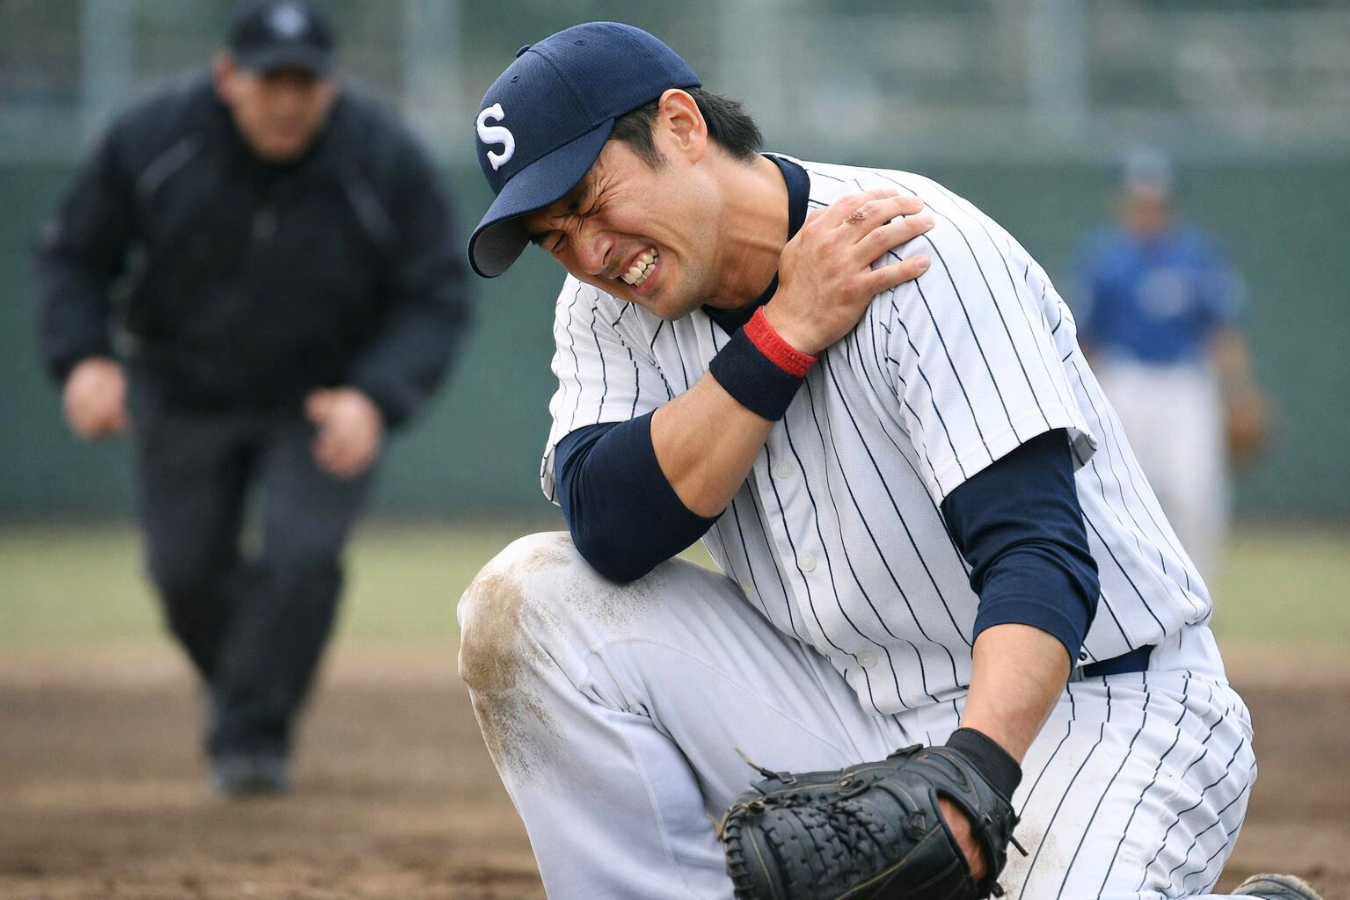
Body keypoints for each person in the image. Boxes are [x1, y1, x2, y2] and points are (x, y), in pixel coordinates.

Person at [456, 22, 1316, 900]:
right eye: (553, 237)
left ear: (682, 125)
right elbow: (611, 529)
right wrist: (780, 336)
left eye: (593, 202)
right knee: (528, 603)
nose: (591, 253)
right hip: (849, 709)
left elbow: (1038, 553)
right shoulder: (606, 308)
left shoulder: (917, 248)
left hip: (1097, 710)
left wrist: (971, 779)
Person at [33, 0, 471, 796]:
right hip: (183, 390)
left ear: (332, 87)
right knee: (183, 574)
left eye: (307, 83)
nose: (289, 101)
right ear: (228, 76)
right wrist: (84, 359)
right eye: (272, 81)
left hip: (320, 400)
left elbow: (436, 293)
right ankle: (251, 695)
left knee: (302, 558)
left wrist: (375, 398)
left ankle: (249, 738)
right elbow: (73, 258)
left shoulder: (380, 157)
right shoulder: (152, 140)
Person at [1076, 149, 1269, 581]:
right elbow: (1086, 339)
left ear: (1170, 204)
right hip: (1124, 383)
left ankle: (1199, 601)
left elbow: (1221, 330)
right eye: (1139, 200)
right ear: (1122, 202)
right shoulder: (1104, 258)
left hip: (1184, 384)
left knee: (1196, 494)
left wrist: (1241, 392)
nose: (1148, 210)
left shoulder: (1196, 256)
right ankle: (1125, 598)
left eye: (1156, 202)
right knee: (1117, 496)